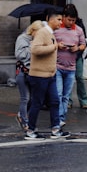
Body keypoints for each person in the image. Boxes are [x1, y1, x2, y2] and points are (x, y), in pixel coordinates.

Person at [26, 10, 68, 139]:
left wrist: (56, 46)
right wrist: (54, 47)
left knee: (55, 101)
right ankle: (30, 130)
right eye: (59, 20)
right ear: (51, 19)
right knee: (37, 103)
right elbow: (35, 49)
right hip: (39, 75)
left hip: (50, 75)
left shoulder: (51, 34)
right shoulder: (42, 32)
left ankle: (55, 129)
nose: (61, 22)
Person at [54, 4, 87, 129]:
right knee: (58, 94)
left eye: (73, 20)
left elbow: (84, 44)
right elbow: (49, 42)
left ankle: (61, 118)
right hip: (57, 66)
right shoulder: (56, 28)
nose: (71, 22)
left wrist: (77, 48)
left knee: (66, 96)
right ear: (63, 17)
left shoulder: (78, 30)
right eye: (69, 20)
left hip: (71, 67)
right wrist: (58, 45)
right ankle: (58, 118)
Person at [14, 20, 44, 131]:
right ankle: (25, 122)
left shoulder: (37, 40)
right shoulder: (22, 39)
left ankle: (21, 115)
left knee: (34, 98)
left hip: (34, 71)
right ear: (33, 30)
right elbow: (19, 55)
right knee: (25, 98)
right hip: (23, 72)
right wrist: (31, 48)